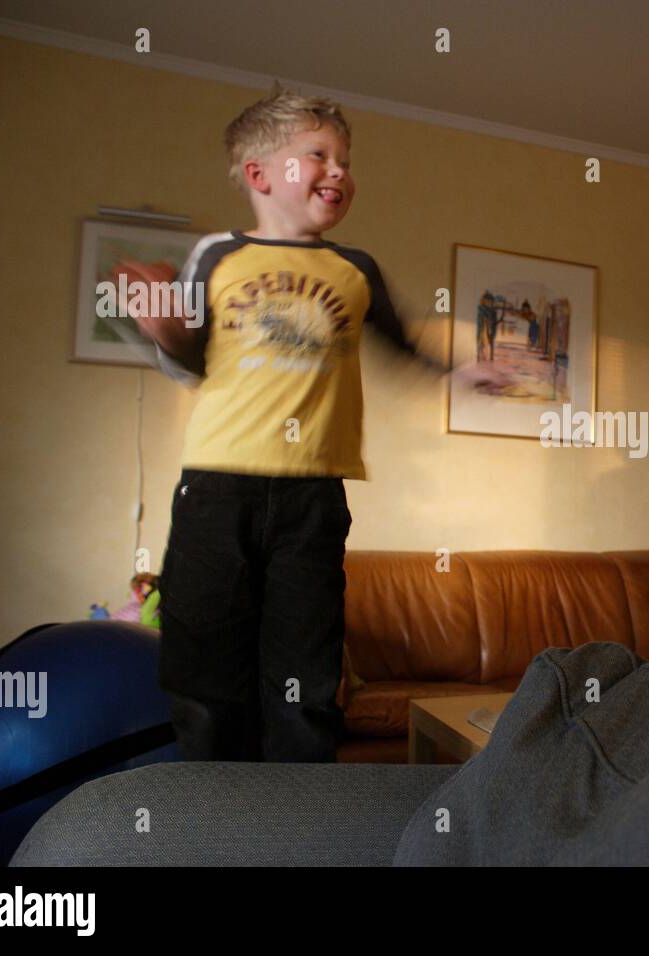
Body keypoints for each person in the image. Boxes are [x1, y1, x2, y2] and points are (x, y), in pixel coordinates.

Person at [130, 86, 509, 761]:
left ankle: (304, 820)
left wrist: (453, 375)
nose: (339, 171)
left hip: (313, 498)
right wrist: (163, 330)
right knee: (205, 662)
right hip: (218, 489)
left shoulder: (354, 269)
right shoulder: (218, 255)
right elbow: (187, 360)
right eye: (319, 155)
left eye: (346, 160)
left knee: (304, 669)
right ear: (260, 175)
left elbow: (402, 344)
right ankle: (211, 815)